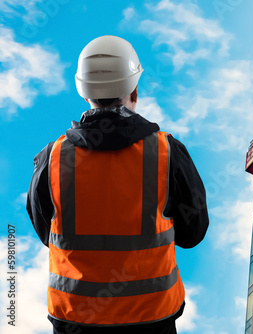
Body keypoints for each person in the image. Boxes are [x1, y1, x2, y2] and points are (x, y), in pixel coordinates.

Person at [26, 35, 209, 334]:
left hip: (75, 319)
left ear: (84, 93)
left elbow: (47, 233)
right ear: (134, 90)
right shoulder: (167, 152)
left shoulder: (53, 157)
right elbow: (193, 233)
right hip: (151, 319)